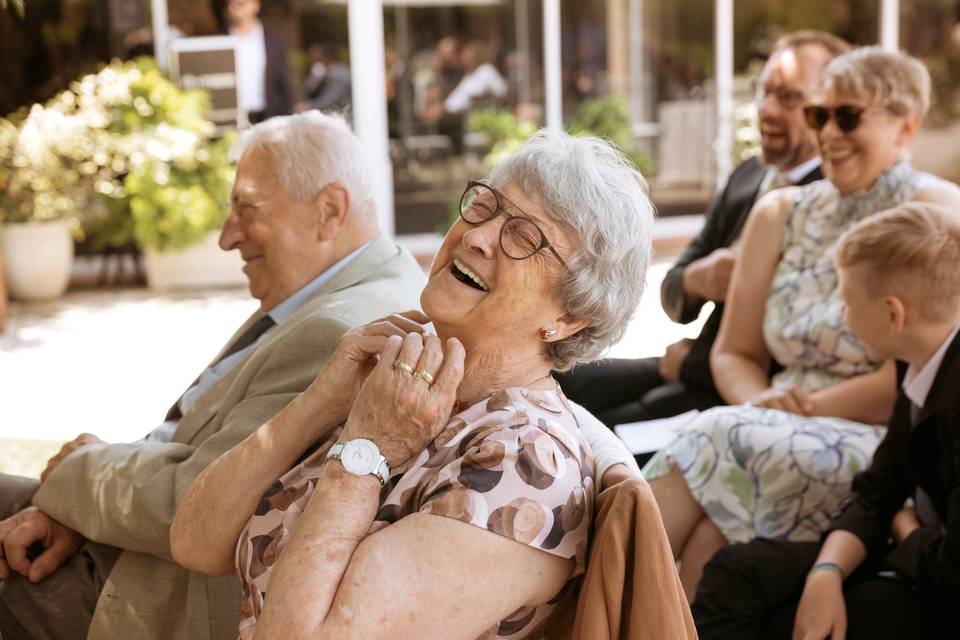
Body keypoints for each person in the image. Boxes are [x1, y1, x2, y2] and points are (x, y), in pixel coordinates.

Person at [170, 130, 657, 639]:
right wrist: (322, 402)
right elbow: (195, 543)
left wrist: (366, 449)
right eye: (485, 206)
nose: (476, 235)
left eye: (523, 236)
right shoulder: (400, 376)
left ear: (571, 314)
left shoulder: (524, 465)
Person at [0, 112, 427, 640]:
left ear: (330, 210)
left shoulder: (341, 331)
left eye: (247, 209)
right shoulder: (340, 287)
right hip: (130, 540)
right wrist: (72, 511)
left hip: (147, 588)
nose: (228, 238)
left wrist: (78, 473)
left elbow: (195, 499)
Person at [643, 46, 960, 600]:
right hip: (764, 417)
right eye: (819, 116)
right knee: (712, 527)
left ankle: (585, 611)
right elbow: (734, 352)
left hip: (876, 443)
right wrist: (764, 404)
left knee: (717, 435)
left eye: (848, 116)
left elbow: (928, 367)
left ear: (905, 127)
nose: (827, 134)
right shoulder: (781, 212)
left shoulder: (937, 215)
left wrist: (799, 411)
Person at [693, 202, 960, 639]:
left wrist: (903, 525)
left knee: (775, 619)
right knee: (737, 570)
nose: (841, 316)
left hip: (946, 594)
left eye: (848, 302)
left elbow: (952, 571)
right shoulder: (914, 365)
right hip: (918, 555)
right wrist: (827, 570)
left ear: (893, 314)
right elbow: (879, 488)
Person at [558, 31, 850, 426]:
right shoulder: (748, 176)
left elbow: (790, 350)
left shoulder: (833, 204)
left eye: (789, 98)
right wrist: (699, 279)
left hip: (728, 395)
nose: (766, 109)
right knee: (552, 382)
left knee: (594, 437)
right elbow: (672, 289)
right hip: (682, 365)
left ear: (828, 111)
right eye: (763, 93)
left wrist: (687, 364)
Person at [226, 0, 292, 123]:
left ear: (256, 5)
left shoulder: (273, 40)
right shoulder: (219, 40)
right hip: (231, 118)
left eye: (241, 3)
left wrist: (290, 113)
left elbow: (284, 80)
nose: (235, 7)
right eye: (231, 3)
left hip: (267, 116)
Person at [298, 43, 351, 114]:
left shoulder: (340, 76)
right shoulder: (327, 72)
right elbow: (308, 90)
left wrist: (307, 106)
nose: (310, 58)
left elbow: (328, 100)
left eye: (315, 56)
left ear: (325, 58)